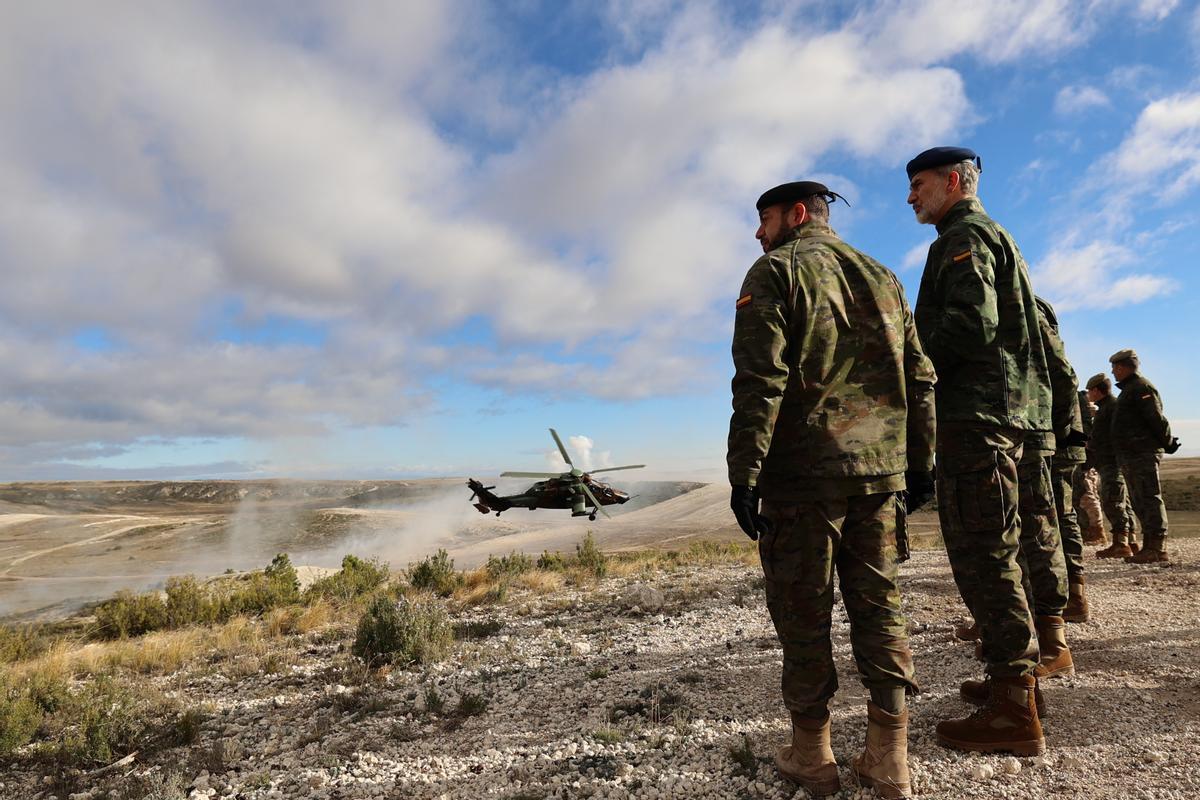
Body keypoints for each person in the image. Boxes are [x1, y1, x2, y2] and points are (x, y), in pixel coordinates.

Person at [728, 180, 936, 798]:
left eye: (763, 219)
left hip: (802, 480)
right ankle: (888, 756)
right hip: (879, 476)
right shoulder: (883, 276)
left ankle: (812, 755)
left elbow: (759, 381)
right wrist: (920, 464)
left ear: (795, 214)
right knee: (879, 606)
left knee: (803, 611)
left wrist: (745, 472)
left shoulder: (774, 273)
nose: (757, 233)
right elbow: (920, 377)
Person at [907, 146, 1046, 755]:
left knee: (983, 555)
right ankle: (1015, 683)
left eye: (919, 184)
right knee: (997, 549)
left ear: (955, 181)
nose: (911, 196)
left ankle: (1014, 709)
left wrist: (909, 362)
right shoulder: (987, 235)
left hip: (975, 415)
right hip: (998, 413)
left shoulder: (961, 239)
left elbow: (971, 324)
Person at [1110, 349, 1180, 564]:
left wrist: (1168, 443)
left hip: (1142, 453)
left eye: (1114, 368)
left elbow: (1156, 419)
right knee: (1140, 500)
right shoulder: (1130, 389)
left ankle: (1157, 548)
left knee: (1149, 497)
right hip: (1131, 454)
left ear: (1122, 367)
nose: (1112, 372)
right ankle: (1149, 546)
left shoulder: (1141, 388)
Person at [1088, 373, 1140, 557]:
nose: (1088, 395)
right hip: (1114, 460)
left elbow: (1109, 436)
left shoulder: (1111, 408)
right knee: (1122, 502)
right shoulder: (1109, 407)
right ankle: (1131, 541)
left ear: (1096, 390)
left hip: (1111, 461)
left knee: (1113, 501)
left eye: (1089, 391)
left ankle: (1121, 544)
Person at [1072, 390, 1106, 545]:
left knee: (1087, 495)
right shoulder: (1088, 419)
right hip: (1084, 459)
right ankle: (1091, 530)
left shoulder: (1086, 422)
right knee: (1085, 495)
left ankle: (1097, 531)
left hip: (1086, 460)